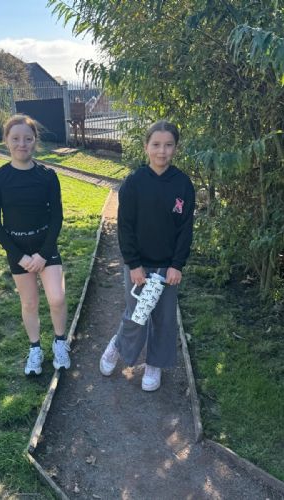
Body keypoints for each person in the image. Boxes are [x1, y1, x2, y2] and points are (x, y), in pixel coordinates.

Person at [99, 120, 195, 391]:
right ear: (146, 147)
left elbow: (185, 229)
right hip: (139, 265)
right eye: (156, 145)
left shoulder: (183, 184)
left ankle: (155, 364)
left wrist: (177, 265)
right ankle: (117, 346)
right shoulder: (134, 183)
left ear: (175, 148)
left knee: (164, 318)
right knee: (137, 315)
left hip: (167, 268)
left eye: (168, 145)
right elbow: (125, 227)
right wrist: (133, 264)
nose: (162, 151)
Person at [0, 114, 70, 375]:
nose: (22, 144)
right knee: (29, 303)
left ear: (35, 141)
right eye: (16, 139)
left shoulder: (48, 176)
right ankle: (35, 349)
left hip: (46, 247)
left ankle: (60, 342)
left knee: (57, 298)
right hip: (18, 251)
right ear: (6, 141)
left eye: (27, 139)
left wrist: (43, 254)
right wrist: (20, 256)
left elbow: (57, 217)